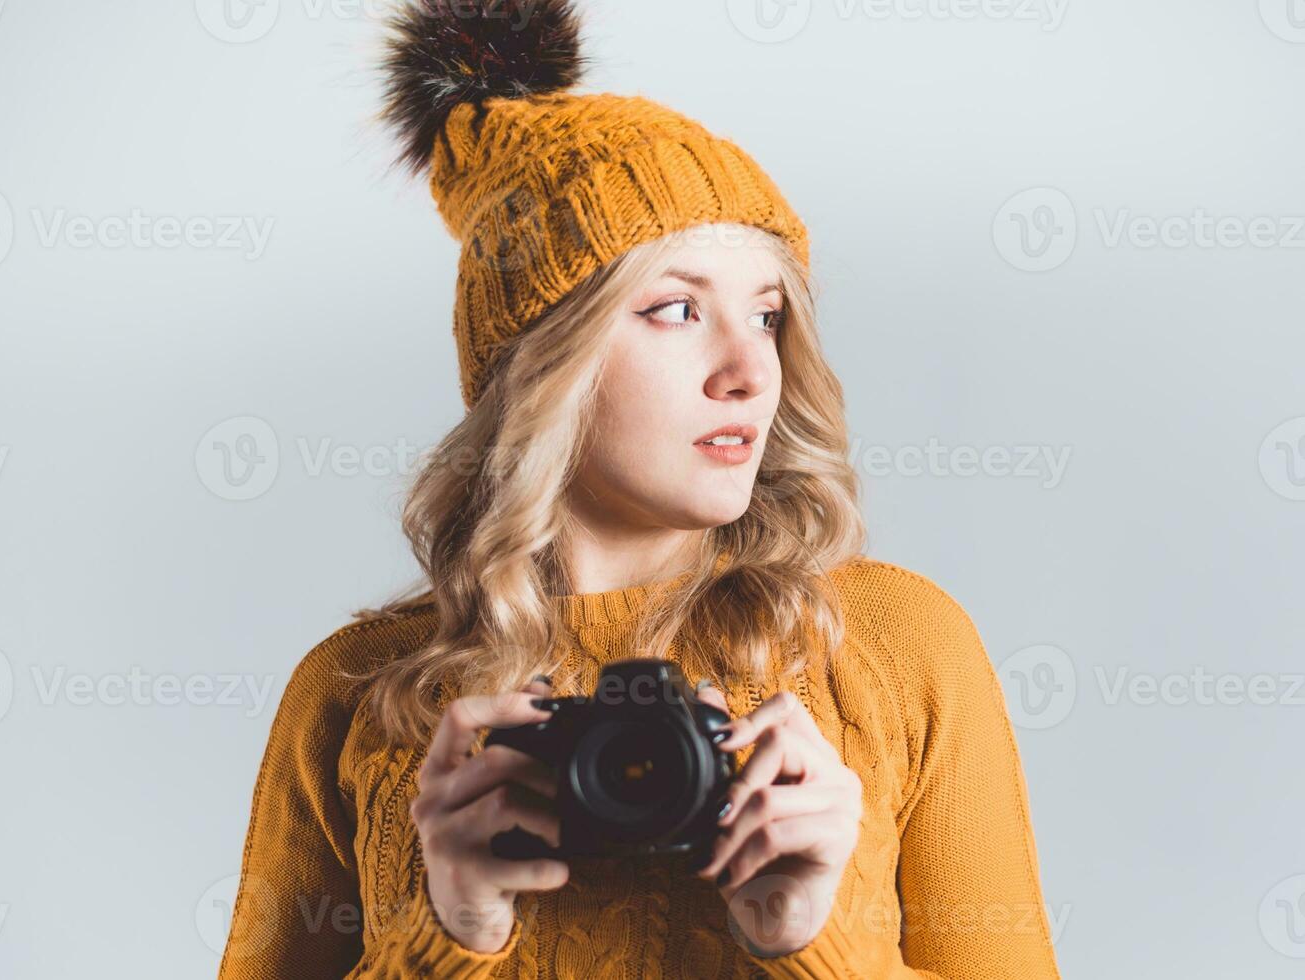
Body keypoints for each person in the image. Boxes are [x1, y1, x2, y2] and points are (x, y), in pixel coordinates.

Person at [217, 1, 1062, 976]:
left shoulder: (898, 646)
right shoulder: (356, 695)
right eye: (673, 308)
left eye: (767, 312)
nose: (748, 369)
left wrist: (810, 938)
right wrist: (449, 932)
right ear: (537, 363)